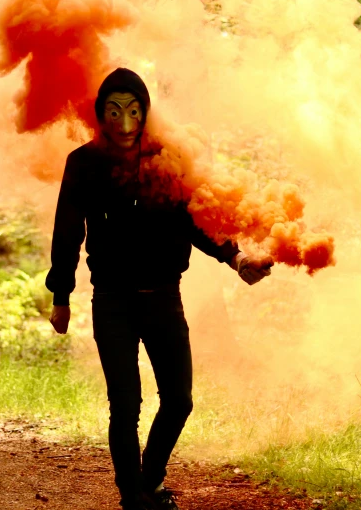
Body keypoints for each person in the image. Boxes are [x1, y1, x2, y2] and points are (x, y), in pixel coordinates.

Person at [46, 68, 272, 510]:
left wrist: (237, 257)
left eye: (133, 112)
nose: (124, 124)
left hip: (164, 298)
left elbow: (198, 219)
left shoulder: (169, 158)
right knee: (125, 405)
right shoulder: (84, 163)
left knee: (179, 400)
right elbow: (67, 232)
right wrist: (61, 296)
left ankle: (147, 482)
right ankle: (134, 498)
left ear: (145, 113)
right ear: (101, 115)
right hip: (112, 301)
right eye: (114, 112)